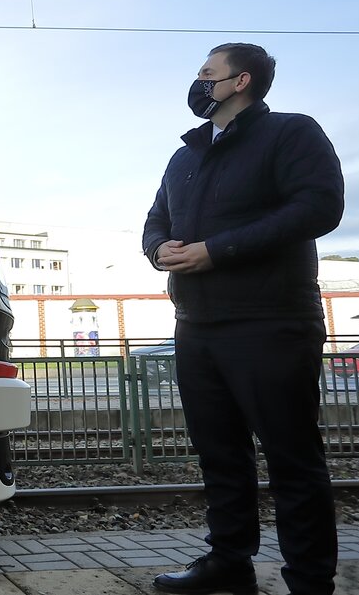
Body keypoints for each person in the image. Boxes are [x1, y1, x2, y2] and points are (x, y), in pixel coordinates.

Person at [143, 43, 344, 595]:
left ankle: (309, 581)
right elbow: (155, 220)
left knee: (291, 458)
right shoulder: (185, 155)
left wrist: (217, 250)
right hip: (196, 323)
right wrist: (160, 248)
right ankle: (229, 560)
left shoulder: (291, 132)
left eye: (207, 73)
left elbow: (320, 207)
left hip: (270, 320)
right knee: (220, 452)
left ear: (241, 82)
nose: (198, 81)